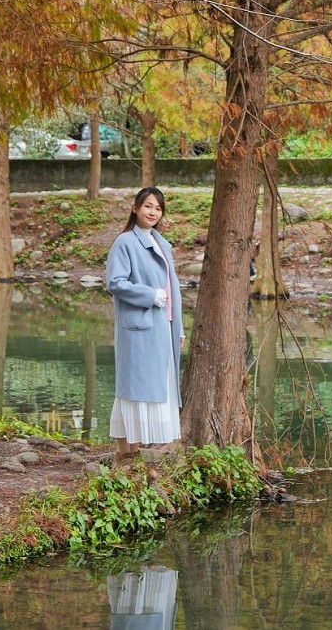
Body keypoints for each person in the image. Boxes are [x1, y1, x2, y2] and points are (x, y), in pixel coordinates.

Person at [105, 187, 184, 463]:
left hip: (163, 328)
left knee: (155, 387)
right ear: (136, 208)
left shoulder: (162, 244)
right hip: (139, 329)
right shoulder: (125, 242)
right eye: (148, 206)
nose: (152, 212)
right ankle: (126, 454)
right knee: (133, 391)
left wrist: (179, 328)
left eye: (158, 208)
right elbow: (115, 283)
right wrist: (150, 295)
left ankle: (134, 456)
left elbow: (172, 291)